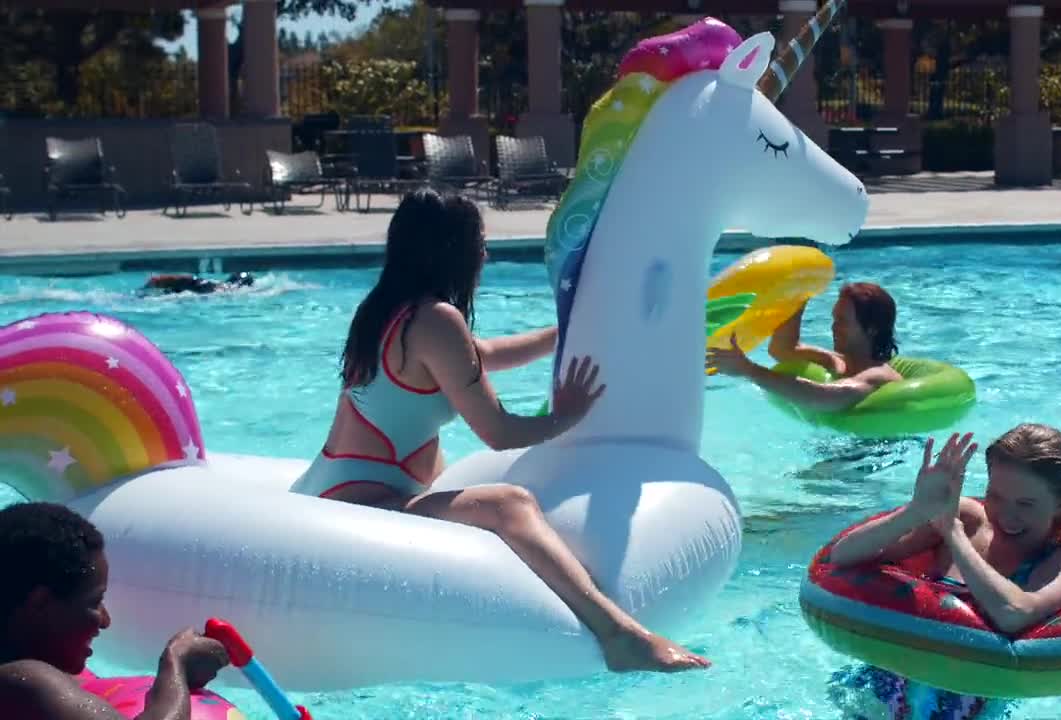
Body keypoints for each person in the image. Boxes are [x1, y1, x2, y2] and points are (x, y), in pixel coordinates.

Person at [289, 189, 710, 674]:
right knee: (509, 503)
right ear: (452, 249)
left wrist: (564, 333)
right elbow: (499, 433)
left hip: (331, 487)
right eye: (479, 242)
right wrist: (568, 415)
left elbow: (480, 354)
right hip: (359, 506)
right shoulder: (436, 320)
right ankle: (620, 635)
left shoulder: (389, 309)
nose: (485, 254)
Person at [828, 424, 1061, 718]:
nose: (1007, 515)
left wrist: (953, 534)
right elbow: (844, 556)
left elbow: (1013, 613)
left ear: (1060, 502)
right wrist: (917, 511)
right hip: (874, 697)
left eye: (1026, 503)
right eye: (995, 496)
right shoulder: (969, 519)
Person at [0, 501, 231, 720]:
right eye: (94, 602)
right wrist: (177, 663)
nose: (105, 620)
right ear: (40, 602)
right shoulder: (23, 682)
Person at [705, 281, 903, 411]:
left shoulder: (879, 376)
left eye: (842, 321)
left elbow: (822, 398)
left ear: (872, 329)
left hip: (875, 455)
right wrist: (799, 296)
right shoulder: (837, 361)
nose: (833, 327)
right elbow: (782, 349)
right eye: (834, 319)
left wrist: (747, 369)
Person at [141, 271, 254, 296]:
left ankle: (155, 282)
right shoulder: (228, 289)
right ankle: (156, 282)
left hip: (202, 286)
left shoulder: (223, 286)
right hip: (205, 288)